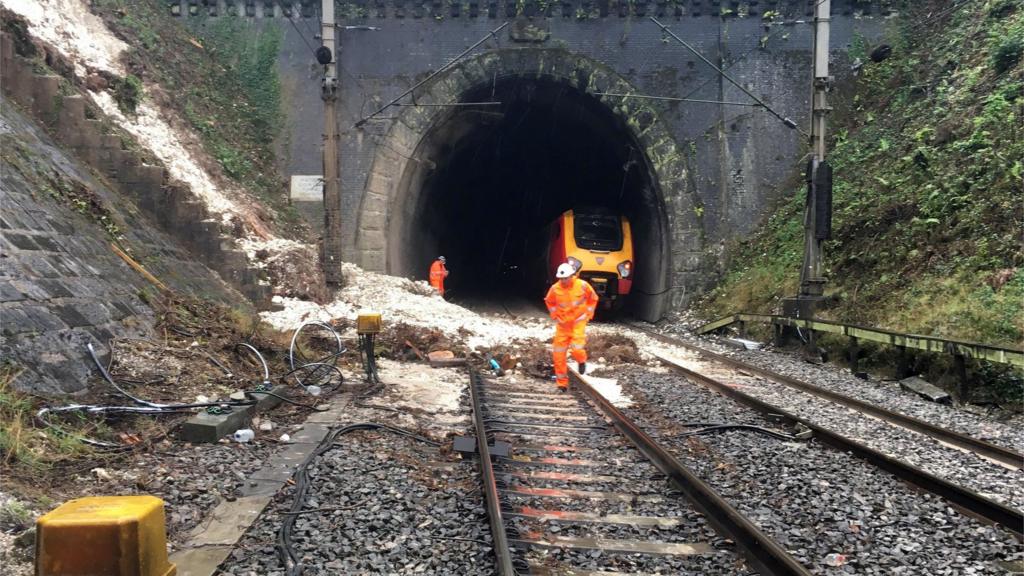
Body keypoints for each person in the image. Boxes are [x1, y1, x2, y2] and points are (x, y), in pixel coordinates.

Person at [544, 262, 599, 391]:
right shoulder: (555, 289)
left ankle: (581, 361)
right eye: (561, 278)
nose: (563, 281)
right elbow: (549, 301)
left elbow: (593, 298)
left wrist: (589, 313)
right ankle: (562, 384)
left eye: (565, 278)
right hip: (563, 326)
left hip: (578, 324)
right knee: (558, 356)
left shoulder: (583, 286)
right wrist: (554, 315)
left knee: (577, 349)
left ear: (571, 276)